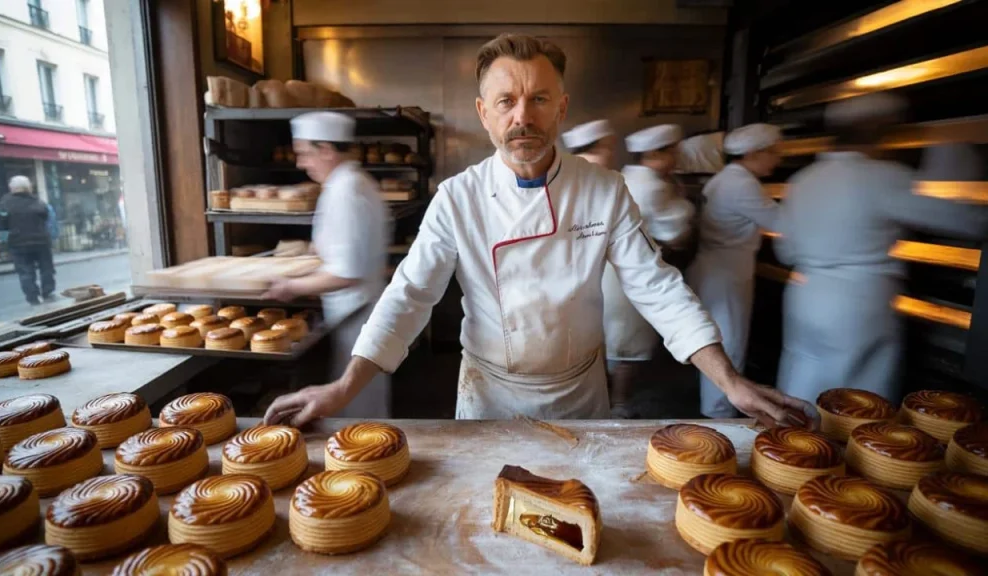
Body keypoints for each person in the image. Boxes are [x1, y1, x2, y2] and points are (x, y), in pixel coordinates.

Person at [263, 34, 811, 429]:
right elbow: (409, 296)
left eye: (539, 99)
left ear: (562, 108)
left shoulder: (604, 190)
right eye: (506, 101)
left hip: (579, 395)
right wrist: (344, 386)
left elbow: (657, 287)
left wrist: (729, 380)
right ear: (484, 113)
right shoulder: (459, 197)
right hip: (489, 397)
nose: (523, 116)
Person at [775, 93, 988, 405]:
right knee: (857, 401)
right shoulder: (882, 177)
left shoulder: (803, 179)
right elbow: (963, 220)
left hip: (804, 296)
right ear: (879, 133)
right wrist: (952, 146)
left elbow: (785, 250)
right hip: (857, 304)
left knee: (801, 384)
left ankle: (792, 446)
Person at [263, 111, 391, 417]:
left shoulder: (347, 191)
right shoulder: (352, 183)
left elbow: (347, 273)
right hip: (354, 314)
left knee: (358, 409)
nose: (300, 163)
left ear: (327, 150)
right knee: (356, 402)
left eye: (304, 153)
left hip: (356, 315)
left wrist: (290, 287)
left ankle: (367, 462)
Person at [686, 124, 783, 418]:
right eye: (774, 153)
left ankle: (718, 408)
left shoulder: (723, 179)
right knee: (729, 343)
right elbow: (781, 222)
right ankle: (720, 417)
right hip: (726, 272)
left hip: (716, 266)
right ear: (754, 153)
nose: (778, 160)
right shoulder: (742, 184)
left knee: (721, 338)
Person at [602, 124, 696, 417]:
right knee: (628, 348)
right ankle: (618, 406)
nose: (677, 158)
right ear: (657, 154)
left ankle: (608, 399)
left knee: (614, 342)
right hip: (632, 277)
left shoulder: (626, 176)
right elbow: (676, 233)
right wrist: (685, 204)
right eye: (673, 152)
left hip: (610, 274)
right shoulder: (654, 186)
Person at [0, 175, 56, 305]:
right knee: (46, 268)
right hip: (41, 241)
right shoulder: (38, 202)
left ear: (11, 188)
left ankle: (32, 297)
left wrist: (4, 244)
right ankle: (47, 292)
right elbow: (47, 217)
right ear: (28, 187)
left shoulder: (4, 204)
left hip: (18, 243)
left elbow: (2, 225)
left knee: (25, 271)